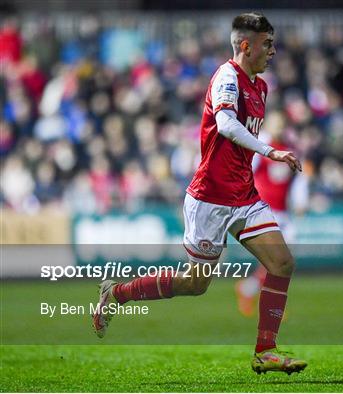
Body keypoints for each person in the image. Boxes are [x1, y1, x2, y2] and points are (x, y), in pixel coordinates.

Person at [92, 12, 307, 375]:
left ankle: (265, 350)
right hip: (210, 198)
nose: (273, 51)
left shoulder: (261, 87)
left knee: (282, 262)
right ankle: (115, 294)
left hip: (244, 196)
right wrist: (270, 151)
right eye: (267, 43)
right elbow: (224, 124)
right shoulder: (227, 76)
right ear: (245, 45)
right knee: (194, 284)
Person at [235, 113, 309, 317]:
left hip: (283, 212)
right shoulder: (260, 147)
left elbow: (298, 178)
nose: (279, 126)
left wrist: (300, 200)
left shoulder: (290, 148)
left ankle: (250, 289)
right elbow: (246, 170)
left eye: (282, 123)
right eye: (277, 122)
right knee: (281, 260)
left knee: (281, 261)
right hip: (264, 210)